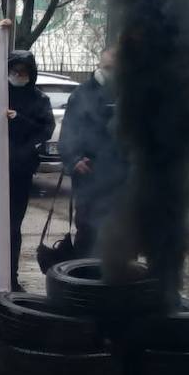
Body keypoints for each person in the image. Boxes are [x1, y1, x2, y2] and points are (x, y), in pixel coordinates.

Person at [59, 47, 127, 258]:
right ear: (99, 64)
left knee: (122, 231)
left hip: (122, 177)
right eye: (108, 67)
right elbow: (67, 132)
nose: (112, 72)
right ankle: (84, 279)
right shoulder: (82, 94)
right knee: (88, 229)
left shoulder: (130, 94)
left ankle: (120, 279)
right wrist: (74, 160)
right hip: (90, 175)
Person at [5, 50, 55, 291]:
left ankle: (10, 278)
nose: (18, 75)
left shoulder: (39, 100)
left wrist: (19, 120)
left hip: (19, 171)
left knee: (13, 227)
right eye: (14, 70)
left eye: (23, 71)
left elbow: (44, 129)